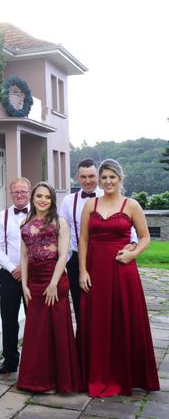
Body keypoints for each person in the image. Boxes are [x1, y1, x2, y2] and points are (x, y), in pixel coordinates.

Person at [78, 159, 159, 397]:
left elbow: (145, 237)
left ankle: (127, 374)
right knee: (98, 320)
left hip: (122, 271)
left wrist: (133, 252)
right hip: (95, 270)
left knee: (124, 318)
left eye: (112, 177)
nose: (108, 181)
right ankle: (96, 373)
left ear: (120, 179)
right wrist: (82, 270)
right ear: (99, 181)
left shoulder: (131, 205)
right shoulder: (91, 205)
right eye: (104, 177)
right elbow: (83, 239)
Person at [17, 182, 80, 393]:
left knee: (55, 330)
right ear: (33, 198)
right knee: (37, 332)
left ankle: (56, 380)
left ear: (52, 200)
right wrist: (24, 285)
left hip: (54, 279)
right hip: (34, 281)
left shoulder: (59, 221)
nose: (42, 200)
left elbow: (64, 255)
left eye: (47, 197)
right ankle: (35, 380)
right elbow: (24, 256)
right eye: (39, 196)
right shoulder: (27, 222)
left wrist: (53, 283)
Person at [60, 158, 137, 325]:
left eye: (92, 176)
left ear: (98, 176)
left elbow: (127, 227)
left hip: (107, 259)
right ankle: (85, 346)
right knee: (82, 308)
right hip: (76, 259)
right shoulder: (67, 201)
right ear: (77, 177)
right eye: (83, 177)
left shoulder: (110, 193)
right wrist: (64, 261)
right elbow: (62, 232)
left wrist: (134, 245)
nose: (88, 181)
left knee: (110, 307)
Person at [0, 177, 31, 374]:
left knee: (34, 319)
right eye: (16, 192)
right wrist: (12, 268)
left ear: (29, 193)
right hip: (9, 274)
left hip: (33, 274)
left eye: (23, 191)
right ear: (10, 193)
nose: (19, 195)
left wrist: (25, 268)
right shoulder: (2, 216)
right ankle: (10, 361)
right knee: (8, 318)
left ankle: (34, 361)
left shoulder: (40, 214)